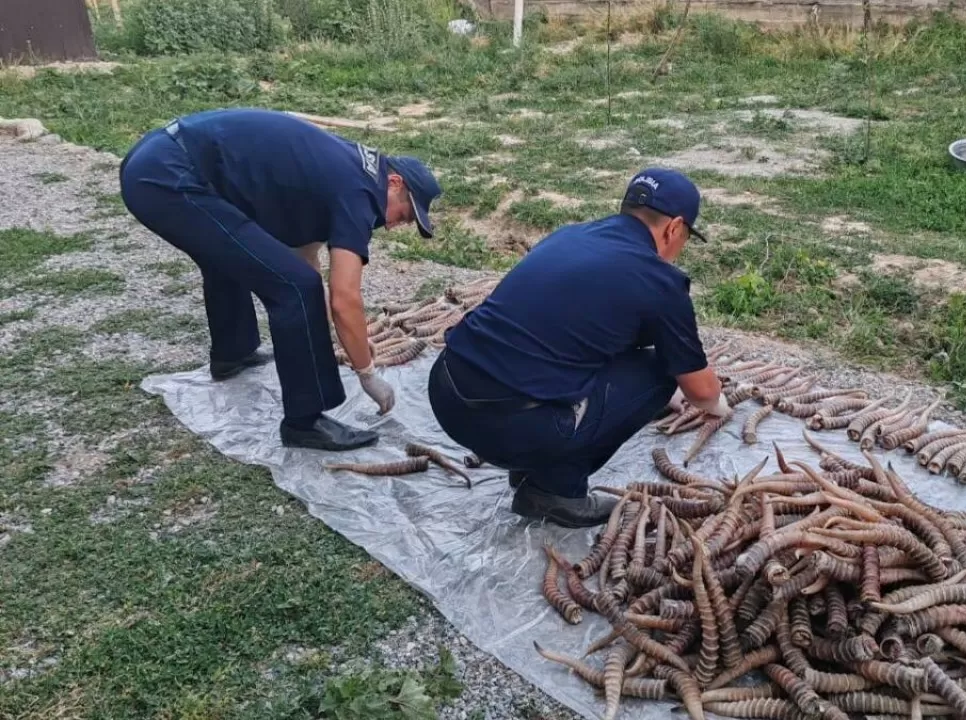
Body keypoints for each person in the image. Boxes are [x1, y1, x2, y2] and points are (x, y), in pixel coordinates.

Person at [118, 107, 442, 451]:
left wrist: (346, 335)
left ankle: (233, 352)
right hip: (168, 178)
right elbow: (344, 297)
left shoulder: (354, 169)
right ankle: (304, 421)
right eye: (403, 214)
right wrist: (366, 371)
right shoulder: (361, 194)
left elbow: (307, 258)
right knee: (294, 288)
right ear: (395, 183)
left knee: (236, 255)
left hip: (156, 158)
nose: (394, 225)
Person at [427, 168, 729, 528]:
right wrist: (719, 406)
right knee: (660, 373)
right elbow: (702, 391)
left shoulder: (569, 236)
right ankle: (554, 491)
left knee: (573, 360)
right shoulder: (658, 280)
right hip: (506, 427)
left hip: (447, 393)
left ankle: (528, 464)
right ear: (675, 227)